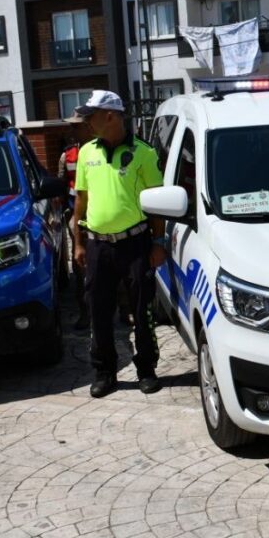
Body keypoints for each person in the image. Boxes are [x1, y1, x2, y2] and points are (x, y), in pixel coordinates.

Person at [70, 90, 166, 398]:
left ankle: (146, 369)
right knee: (98, 310)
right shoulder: (86, 152)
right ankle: (104, 371)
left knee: (142, 310)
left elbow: (157, 204)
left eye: (91, 115)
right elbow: (81, 200)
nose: (86, 122)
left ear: (110, 116)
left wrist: (159, 242)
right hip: (98, 246)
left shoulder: (144, 153)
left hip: (135, 243)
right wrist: (79, 243)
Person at [58, 121, 92, 330]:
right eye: (73, 127)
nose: (74, 131)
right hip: (78, 216)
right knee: (81, 266)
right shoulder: (67, 156)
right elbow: (62, 186)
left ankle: (125, 310)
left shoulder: (105, 150)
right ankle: (85, 313)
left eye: (78, 126)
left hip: (105, 215)